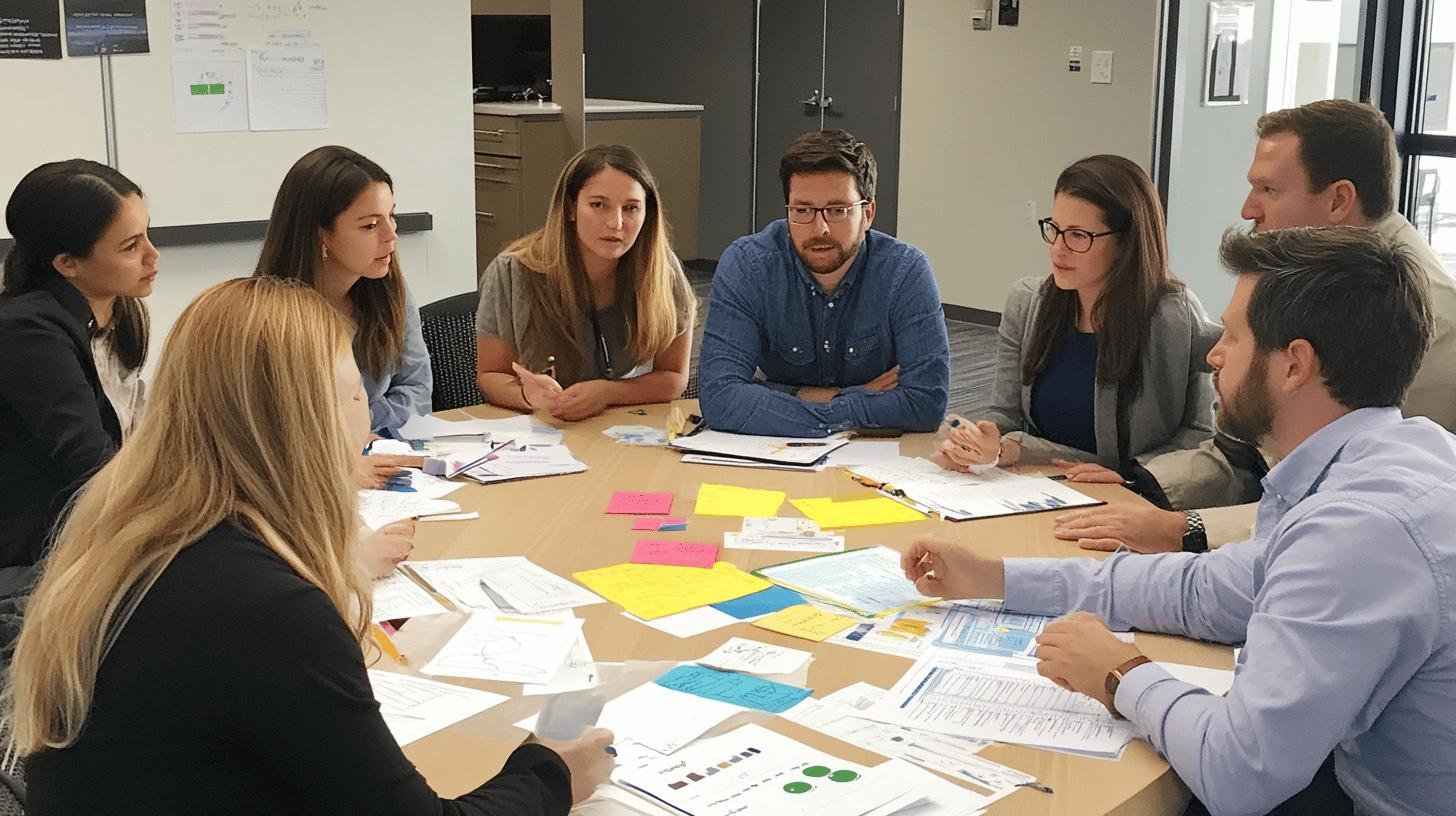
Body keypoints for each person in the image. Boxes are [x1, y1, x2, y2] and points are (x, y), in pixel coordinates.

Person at [8, 277, 615, 815]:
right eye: (355, 392)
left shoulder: (137, 529)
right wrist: (551, 774)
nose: (368, 417)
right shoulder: (265, 607)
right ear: (304, 418)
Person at [903, 227, 1454, 816]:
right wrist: (995, 578)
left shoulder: (1359, 532)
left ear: (1294, 366)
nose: (1214, 354)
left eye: (1235, 338)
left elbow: (1240, 773)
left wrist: (1119, 673)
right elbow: (1207, 590)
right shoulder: (1397, 456)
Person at [1052, 98, 1456, 553]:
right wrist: (1141, 482)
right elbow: (1246, 452)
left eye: (1269, 190)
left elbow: (1361, 507)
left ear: (1339, 200)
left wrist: (1189, 529)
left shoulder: (1422, 315)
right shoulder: (1317, 279)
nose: (1248, 209)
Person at [935, 155, 1217, 474]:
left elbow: (1199, 436)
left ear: (1126, 243)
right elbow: (1007, 417)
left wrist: (1133, 475)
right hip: (1038, 486)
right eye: (1054, 229)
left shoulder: (1172, 314)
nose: (1058, 248)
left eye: (1078, 235)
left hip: (1131, 499)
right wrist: (981, 444)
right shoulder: (1028, 302)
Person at [696, 129, 949, 436]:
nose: (821, 228)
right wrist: (852, 400)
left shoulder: (905, 272)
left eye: (837, 210)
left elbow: (926, 403)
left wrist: (785, 394)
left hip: (878, 461)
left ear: (868, 214)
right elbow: (721, 397)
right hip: (779, 455)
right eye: (802, 210)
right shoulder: (748, 265)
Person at [0, 159, 156, 587]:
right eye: (130, 247)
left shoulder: (117, 316)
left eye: (148, 234)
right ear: (67, 263)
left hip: (93, 542)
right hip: (39, 564)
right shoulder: (26, 332)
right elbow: (92, 465)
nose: (153, 255)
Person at [478, 144, 695, 421]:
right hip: (543, 426)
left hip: (619, 422)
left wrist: (607, 392)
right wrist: (528, 397)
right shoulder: (514, 271)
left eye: (630, 208)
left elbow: (674, 377)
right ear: (571, 208)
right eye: (598, 205)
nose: (616, 223)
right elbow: (491, 375)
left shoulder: (662, 269)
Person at [255, 145, 433, 437]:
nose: (391, 236)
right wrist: (351, 435)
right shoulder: (269, 316)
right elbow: (283, 423)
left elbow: (417, 389)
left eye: (392, 216)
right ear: (320, 232)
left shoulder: (390, 289)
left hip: (384, 452)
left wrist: (366, 431)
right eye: (371, 225)